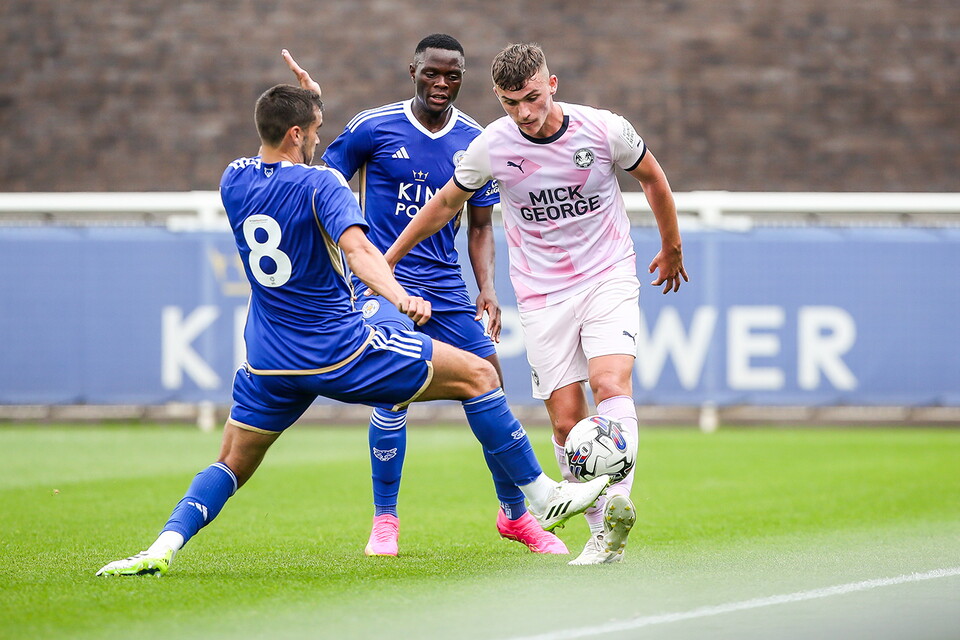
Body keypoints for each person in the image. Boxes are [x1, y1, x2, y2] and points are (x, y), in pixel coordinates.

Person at [96, 73, 610, 577]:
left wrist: (307, 103)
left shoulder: (233, 178)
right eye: (315, 129)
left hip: (269, 363)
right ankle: (541, 499)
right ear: (299, 134)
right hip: (341, 351)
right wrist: (400, 295)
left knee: (229, 464)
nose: (322, 138)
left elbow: (284, 163)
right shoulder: (323, 184)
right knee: (480, 375)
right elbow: (360, 251)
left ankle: (162, 545)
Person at [385, 43, 688, 565]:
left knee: (610, 383)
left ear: (552, 84)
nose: (524, 112)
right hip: (542, 295)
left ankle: (618, 500)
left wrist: (671, 245)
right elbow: (444, 206)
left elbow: (653, 179)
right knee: (567, 424)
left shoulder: (604, 129)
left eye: (530, 97)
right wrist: (386, 262)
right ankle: (603, 534)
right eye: (510, 102)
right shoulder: (491, 146)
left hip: (608, 274)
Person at [284, 35, 565, 557]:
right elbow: (318, 181)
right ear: (413, 70)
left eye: (452, 75)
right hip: (385, 283)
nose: (441, 84)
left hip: (446, 288)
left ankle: (514, 516)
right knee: (392, 389)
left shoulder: (475, 139)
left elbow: (480, 227)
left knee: (490, 386)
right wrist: (310, 113)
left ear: (463, 77)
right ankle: (385, 519)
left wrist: (487, 288)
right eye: (431, 73)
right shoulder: (374, 126)